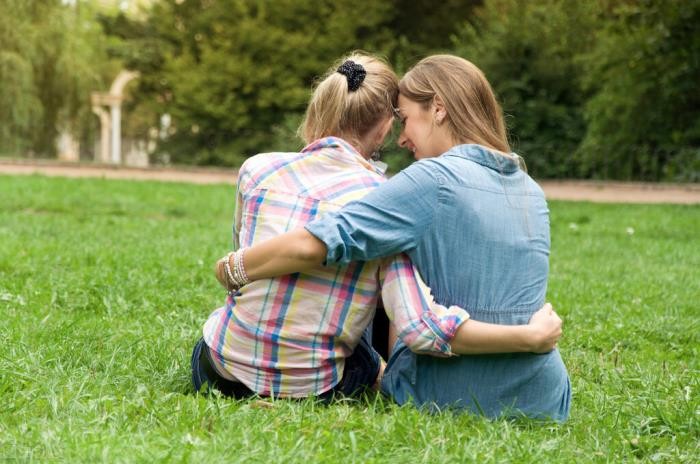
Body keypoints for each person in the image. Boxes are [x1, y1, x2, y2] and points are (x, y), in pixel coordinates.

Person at [214, 55, 571, 420]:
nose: (400, 138)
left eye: (405, 119)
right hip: (544, 397)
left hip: (448, 393)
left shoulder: (430, 179)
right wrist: (532, 337)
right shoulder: (530, 190)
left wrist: (233, 267)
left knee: (376, 263)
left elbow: (315, 243)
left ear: (438, 108)